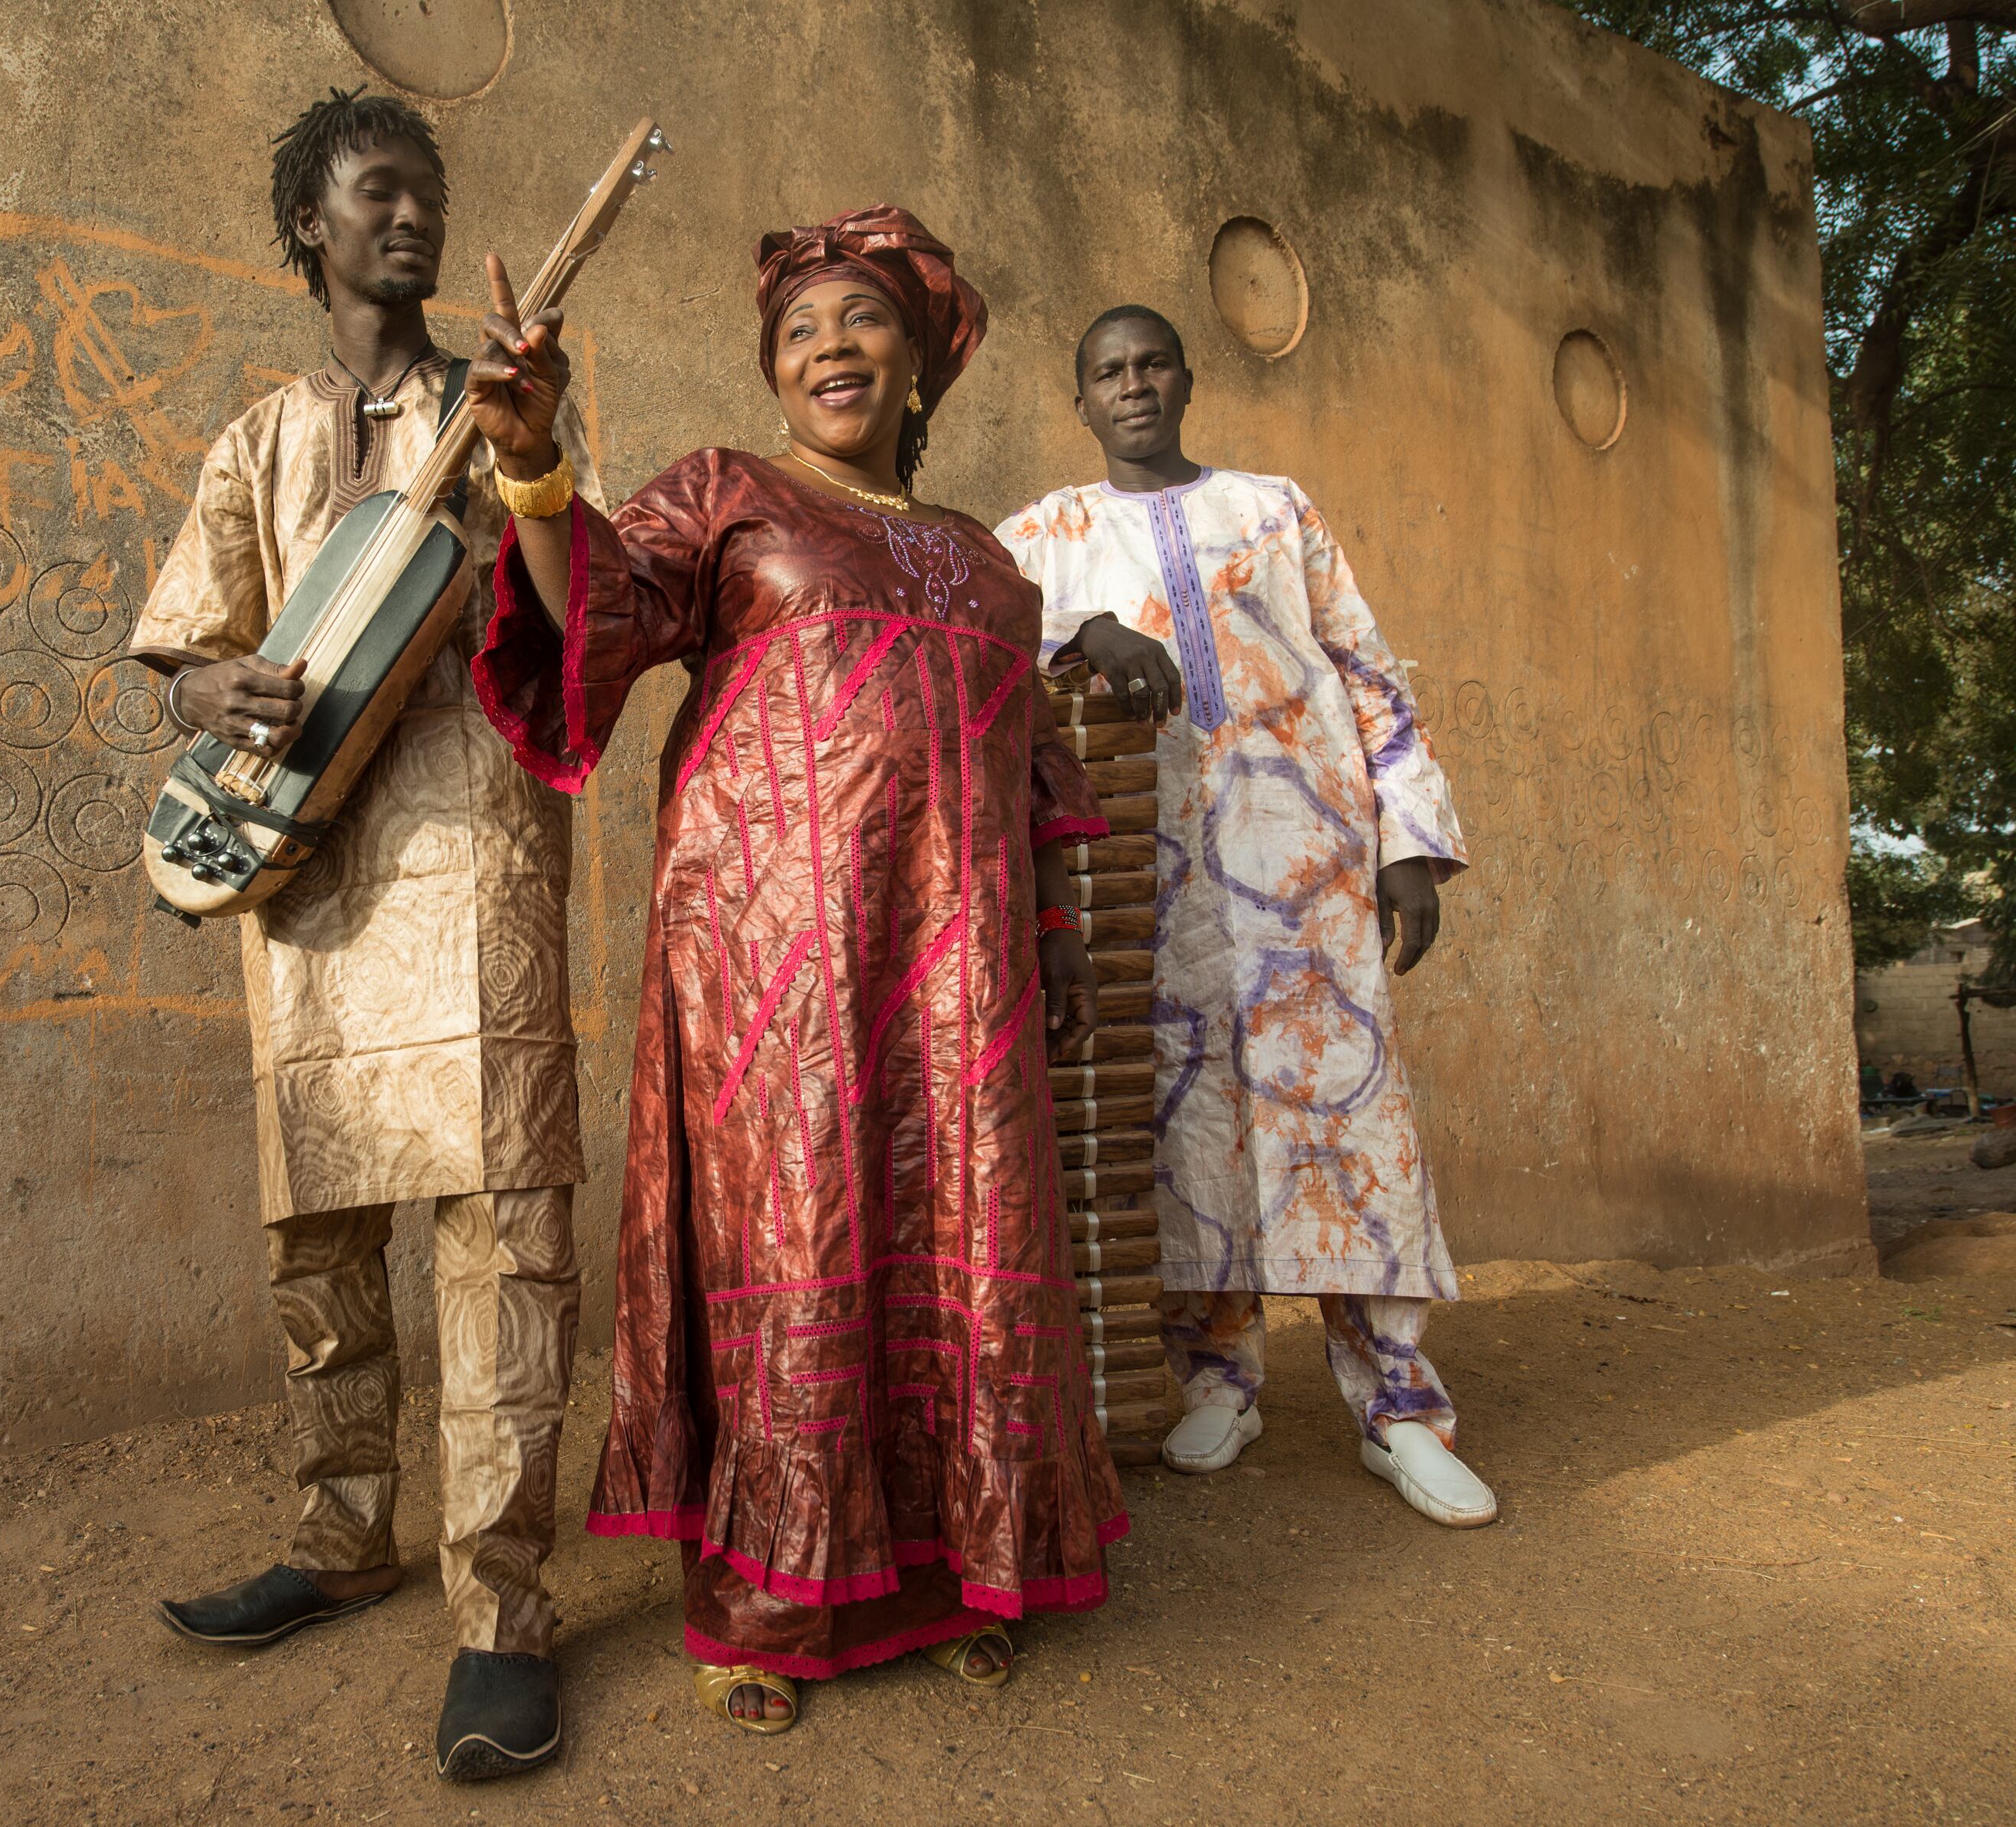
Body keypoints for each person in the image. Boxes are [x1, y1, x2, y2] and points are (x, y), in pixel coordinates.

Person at [465, 207, 1129, 1735]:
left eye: (861, 322)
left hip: (959, 977)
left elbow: (1026, 781)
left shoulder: (984, 564)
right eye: (796, 333)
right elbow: (599, 626)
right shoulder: (728, 495)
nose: (827, 347)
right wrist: (535, 470)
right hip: (770, 969)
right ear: (772, 375)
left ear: (921, 359)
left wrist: (1057, 941)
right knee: (793, 1240)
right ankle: (768, 1598)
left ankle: (967, 1569)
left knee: (959, 1243)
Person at [126, 88, 602, 1781]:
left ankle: (500, 1609)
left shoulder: (504, 402)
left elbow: (567, 616)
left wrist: (536, 452)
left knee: (501, 1239)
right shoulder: (259, 438)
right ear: (307, 231)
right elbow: (180, 649)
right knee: (317, 1233)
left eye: (426, 192)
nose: (406, 215)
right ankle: (342, 1541)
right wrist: (213, 685)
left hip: (470, 859)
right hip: (304, 871)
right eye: (372, 194)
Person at [994, 304, 1497, 1528]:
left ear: (1184, 378)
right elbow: (981, 639)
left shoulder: (1276, 507)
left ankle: (1400, 1408)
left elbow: (1368, 665)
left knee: (1344, 1117)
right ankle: (1217, 1379)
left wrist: (1409, 841)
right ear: (1080, 400)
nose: (1132, 385)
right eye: (1107, 371)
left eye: (1151, 363)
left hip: (1307, 859)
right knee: (1186, 1118)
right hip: (1145, 878)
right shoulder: (1047, 534)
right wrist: (1084, 631)